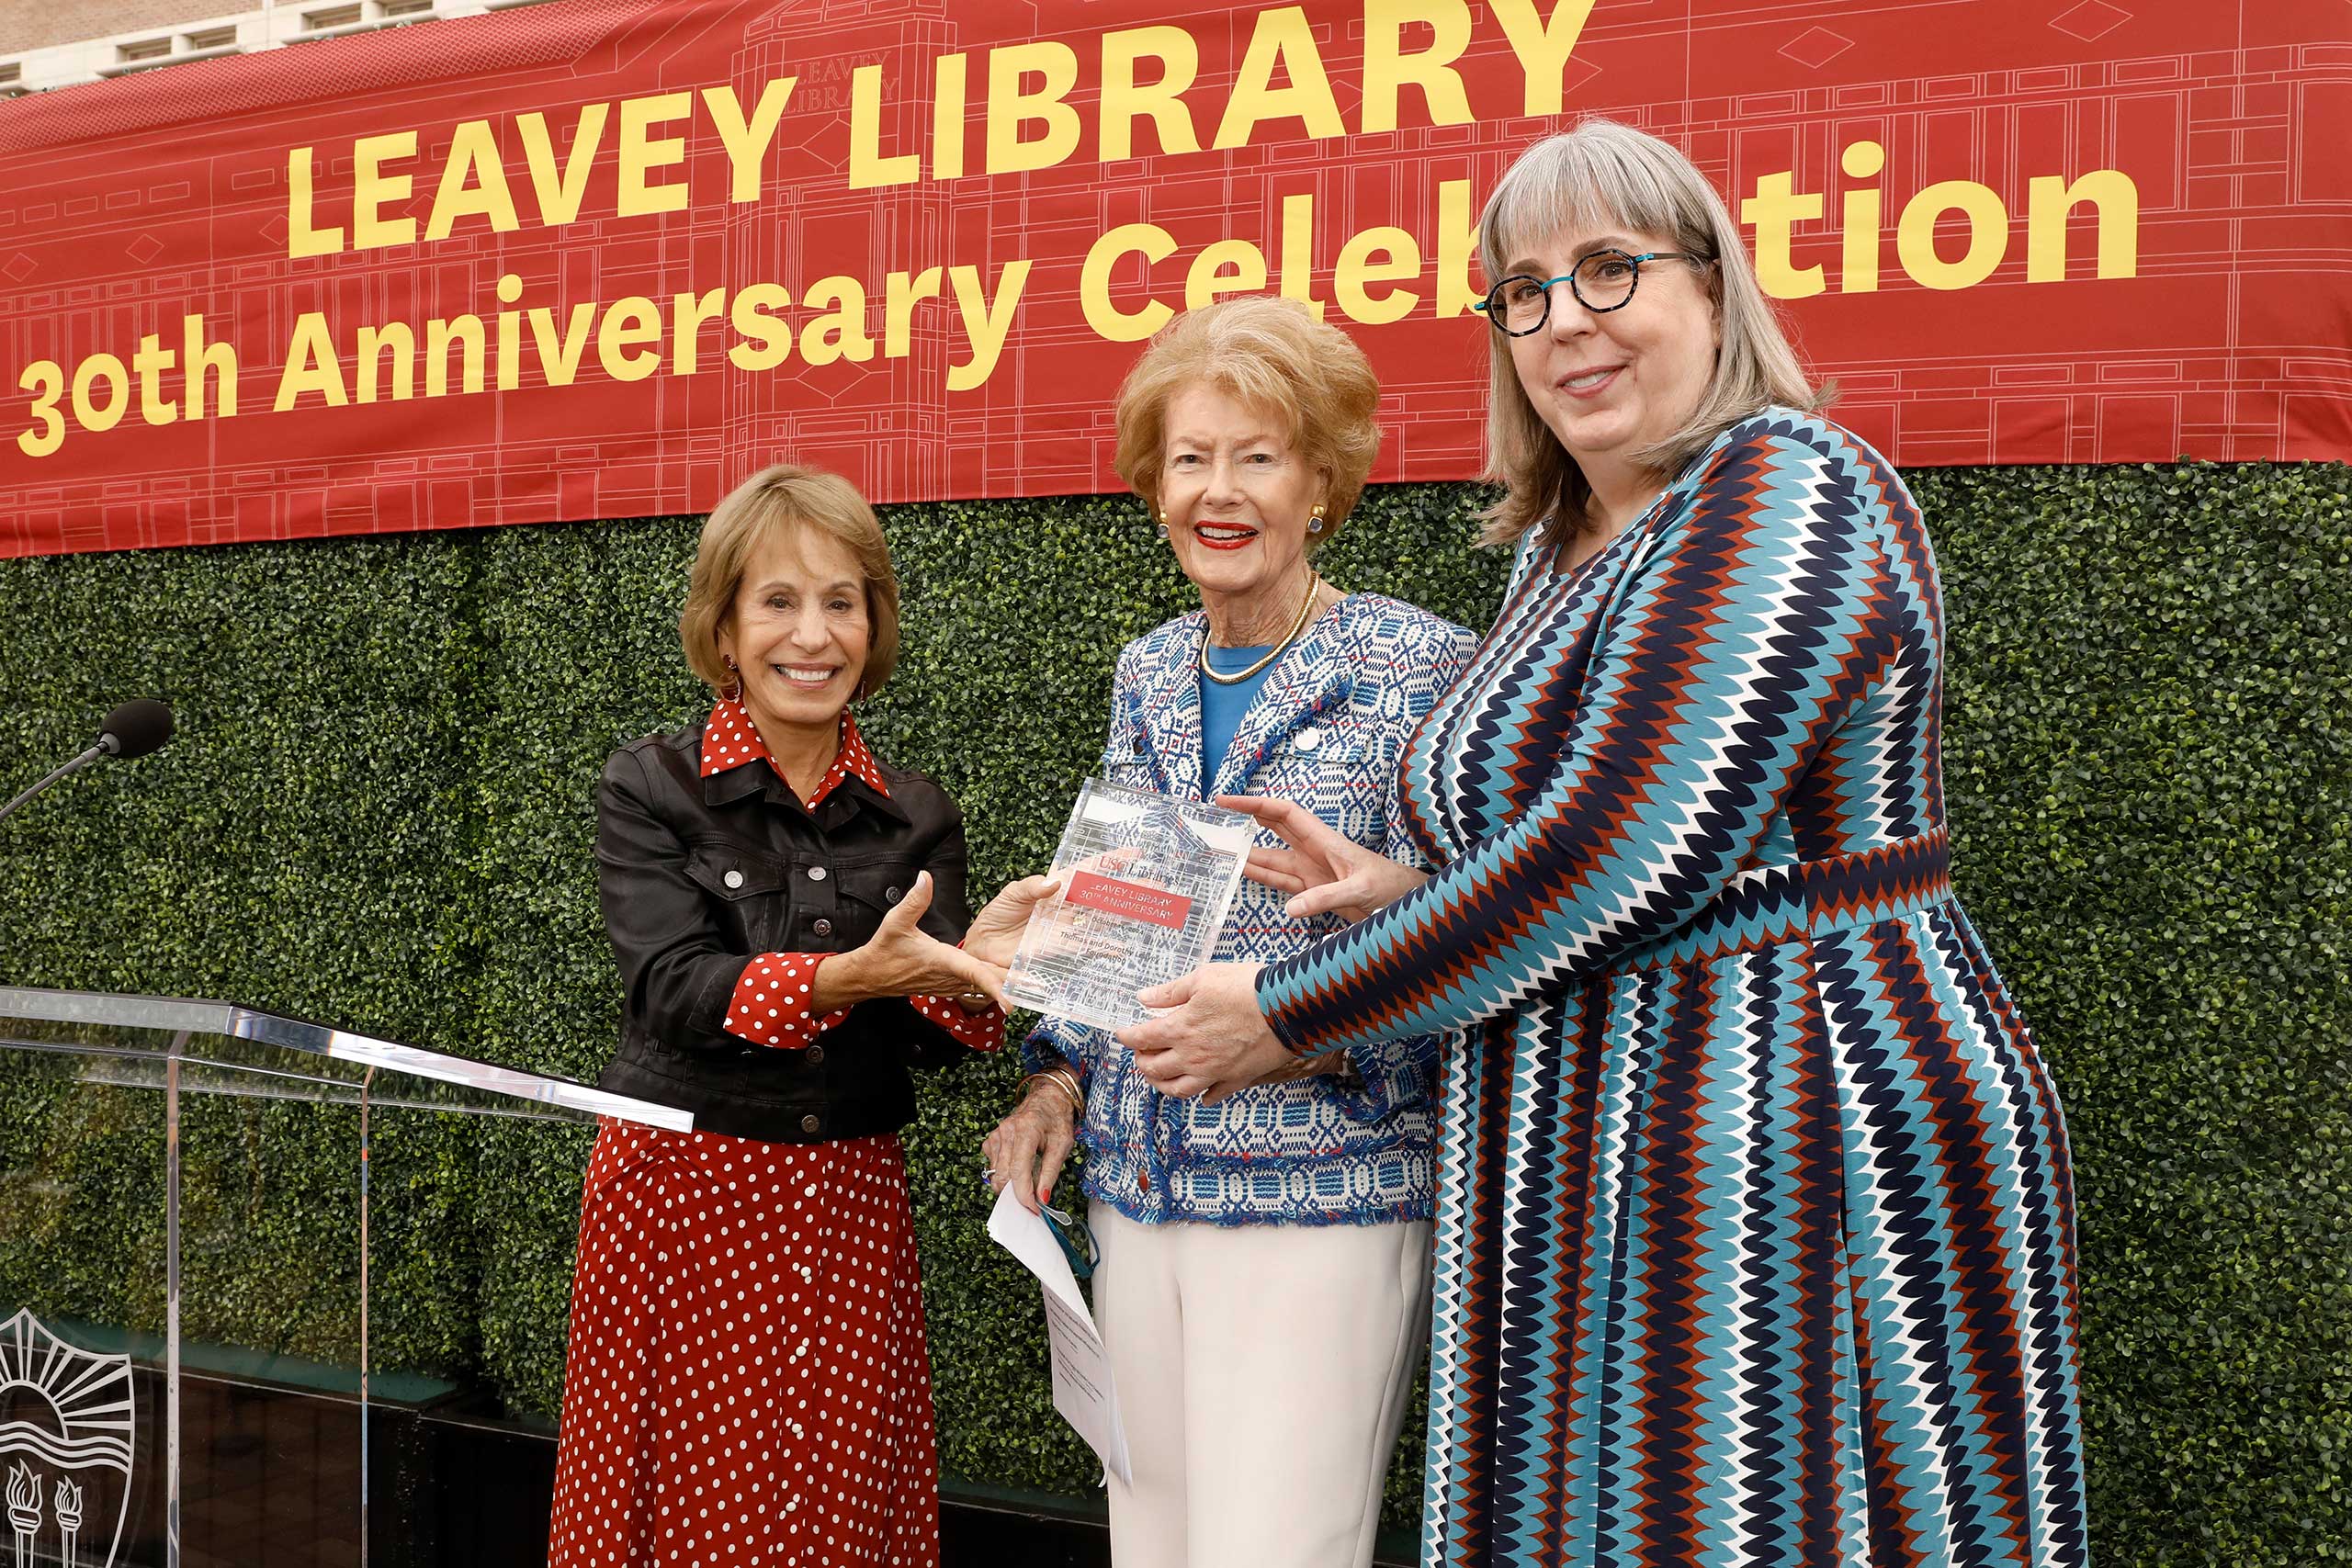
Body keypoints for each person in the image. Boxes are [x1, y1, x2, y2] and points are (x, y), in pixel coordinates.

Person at [1123, 121, 2089, 1568]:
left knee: (1789, 1514)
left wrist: (1286, 1011)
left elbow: (1625, 850)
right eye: (1523, 290)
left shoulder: (1787, 487)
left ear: (1712, 285)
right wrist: (1408, 884)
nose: (1564, 317)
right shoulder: (1555, 545)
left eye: (1608, 270)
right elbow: (1556, 846)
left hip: (1788, 1127)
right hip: (1586, 1142)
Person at [981, 295, 1476, 1568]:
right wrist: (1053, 1081)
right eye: (1192, 457)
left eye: (1258, 455)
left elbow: (1487, 941)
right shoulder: (1148, 669)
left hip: (1325, 1196)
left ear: (1322, 481)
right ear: (1154, 487)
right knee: (1152, 1544)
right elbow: (1113, 924)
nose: (1222, 488)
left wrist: (1307, 1034)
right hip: (1137, 1192)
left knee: (1275, 1550)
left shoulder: (1420, 664)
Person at [547, 463, 1052, 1568]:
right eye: (776, 601)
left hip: (846, 1206)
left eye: (841, 601)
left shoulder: (915, 813)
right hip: (679, 1200)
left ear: (874, 626)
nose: (811, 634)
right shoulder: (650, 785)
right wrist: (843, 982)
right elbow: (671, 990)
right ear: (723, 628)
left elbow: (923, 1036)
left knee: (834, 1512)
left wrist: (977, 974)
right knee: (673, 1512)